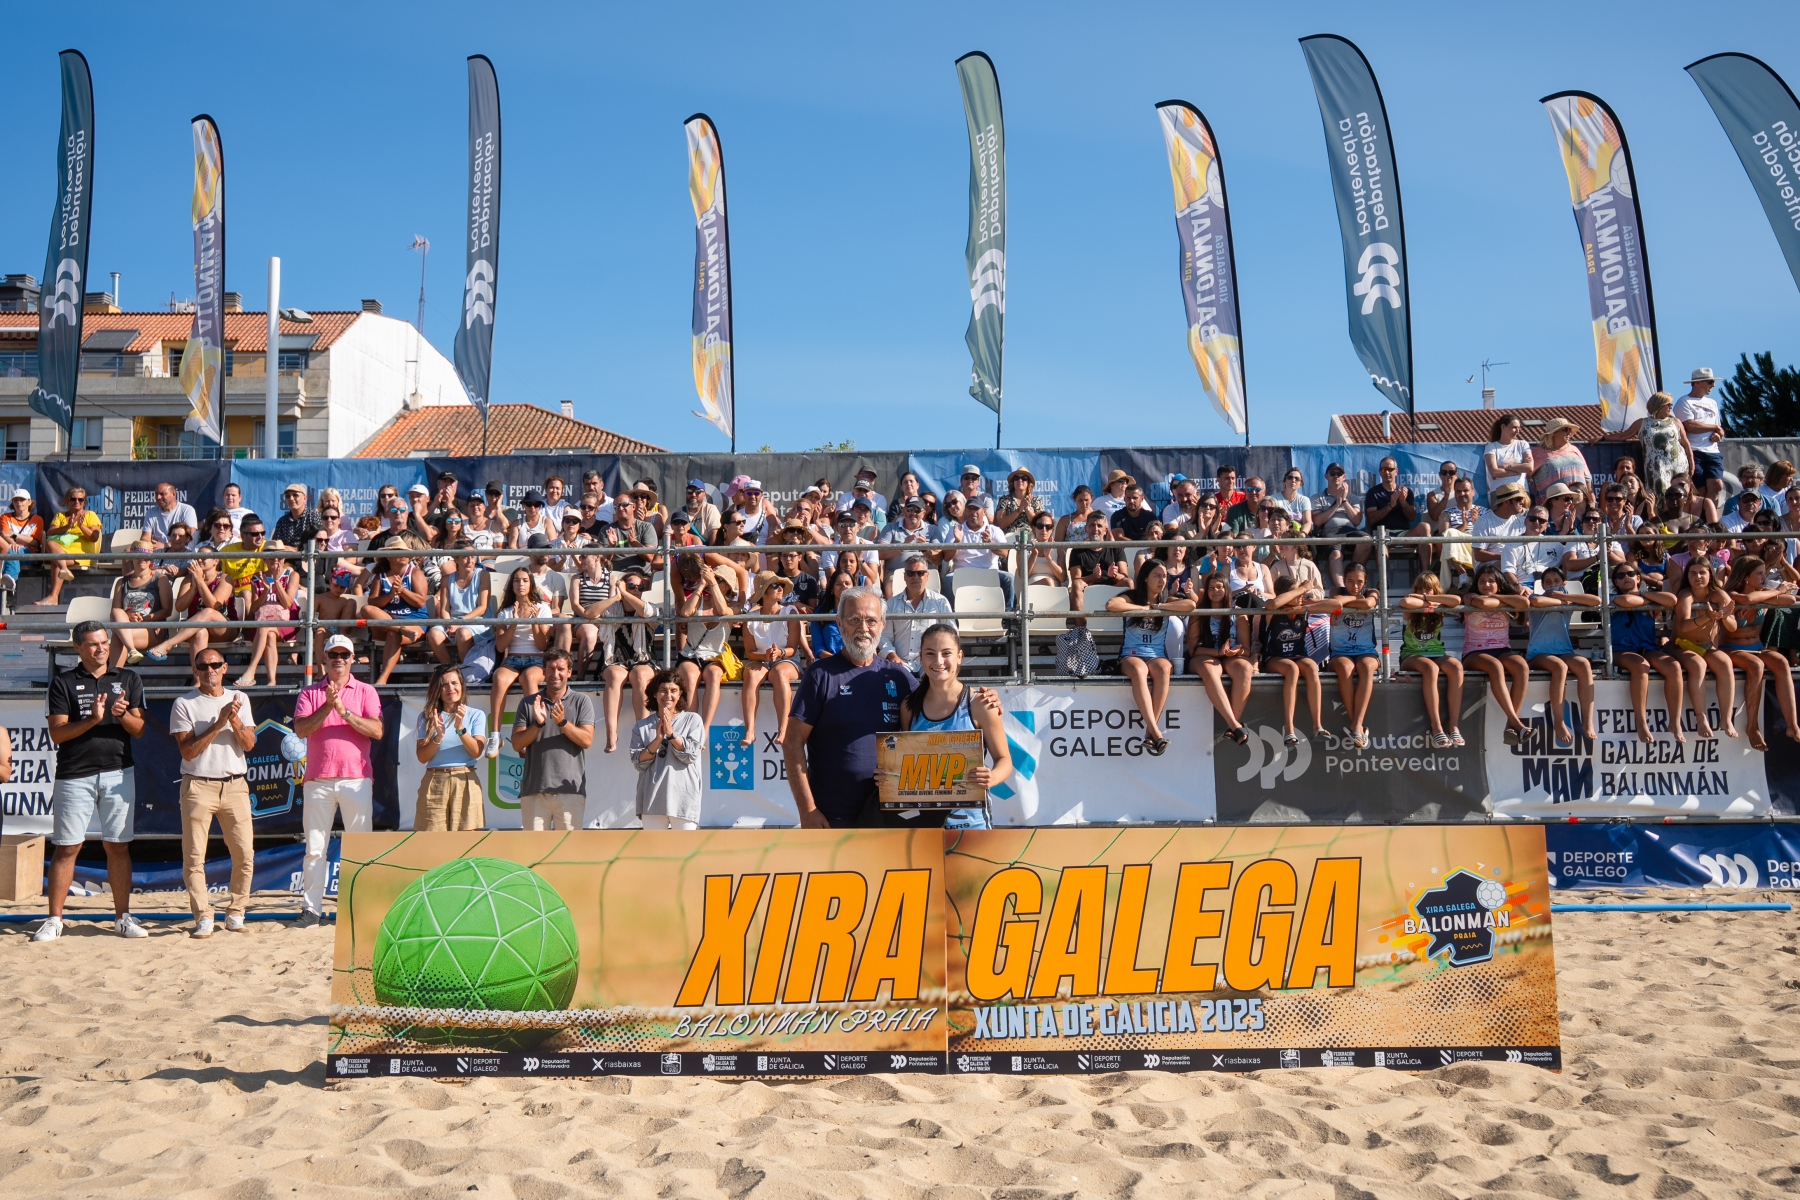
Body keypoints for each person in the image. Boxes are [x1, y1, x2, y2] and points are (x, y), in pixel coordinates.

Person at [786, 586, 978, 828]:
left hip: (891, 818)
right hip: (832, 818)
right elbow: (792, 742)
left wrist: (977, 697)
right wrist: (807, 810)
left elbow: (943, 698)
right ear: (839, 623)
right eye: (854, 620)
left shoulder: (898, 676)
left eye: (871, 621)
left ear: (882, 625)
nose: (863, 628)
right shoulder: (819, 675)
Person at [33, 621, 148, 942]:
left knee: (118, 847)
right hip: (74, 774)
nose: (101, 649)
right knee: (67, 847)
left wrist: (122, 715)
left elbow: (139, 729)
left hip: (119, 771)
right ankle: (55, 919)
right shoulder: (63, 682)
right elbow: (57, 733)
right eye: (93, 644)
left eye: (104, 642)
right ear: (78, 648)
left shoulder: (129, 678)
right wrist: (93, 720)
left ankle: (123, 918)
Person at [291, 634, 383, 926]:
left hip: (356, 779)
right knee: (315, 849)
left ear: (353, 659)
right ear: (325, 658)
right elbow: (301, 730)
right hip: (318, 780)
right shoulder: (310, 693)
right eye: (334, 654)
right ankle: (312, 910)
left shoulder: (366, 691)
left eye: (344, 655)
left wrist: (344, 711)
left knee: (360, 848)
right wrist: (328, 706)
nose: (339, 659)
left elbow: (377, 730)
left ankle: (358, 909)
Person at [170, 650, 257, 937]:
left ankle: (236, 912)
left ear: (225, 667)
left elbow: (249, 744)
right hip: (198, 785)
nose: (210, 670)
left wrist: (234, 721)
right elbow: (188, 752)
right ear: (195, 670)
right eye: (203, 666)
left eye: (215, 664)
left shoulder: (240, 698)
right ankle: (203, 915)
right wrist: (219, 723)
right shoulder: (184, 703)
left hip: (235, 784)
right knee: (194, 856)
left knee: (244, 853)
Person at [894, 624, 1013, 830]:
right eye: (930, 653)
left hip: (972, 826)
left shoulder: (981, 704)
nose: (938, 661)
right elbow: (905, 767)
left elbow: (1005, 760)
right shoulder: (909, 707)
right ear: (920, 658)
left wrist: (992, 777)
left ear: (959, 657)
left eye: (946, 653)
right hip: (923, 826)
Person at [1106, 558, 1195, 753]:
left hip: (1156, 654)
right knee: (1140, 670)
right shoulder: (1132, 596)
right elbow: (1111, 605)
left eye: (1164, 576)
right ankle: (1156, 732)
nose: (1162, 580)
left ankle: (1149, 733)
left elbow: (1191, 605)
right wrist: (1143, 609)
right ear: (1145, 578)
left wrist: (1159, 607)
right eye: (1157, 576)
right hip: (1131, 654)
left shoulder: (1166, 600)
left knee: (1165, 669)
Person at [510, 649, 596, 831]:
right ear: (544, 671)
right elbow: (517, 744)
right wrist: (538, 724)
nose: (555, 674)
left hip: (570, 791)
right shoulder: (528, 703)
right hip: (534, 791)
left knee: (569, 848)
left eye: (561, 669)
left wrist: (562, 723)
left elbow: (587, 740)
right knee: (534, 848)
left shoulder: (582, 701)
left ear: (569, 672)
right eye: (550, 669)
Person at [1722, 555, 1800, 751]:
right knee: (1756, 665)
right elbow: (1747, 599)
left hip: (1756, 647)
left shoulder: (1764, 593)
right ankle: (1752, 726)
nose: (1764, 577)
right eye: (1759, 574)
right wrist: (1777, 591)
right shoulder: (1729, 594)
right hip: (1731, 648)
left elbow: (1790, 599)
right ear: (1746, 577)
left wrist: (1771, 594)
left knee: (1781, 662)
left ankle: (1792, 724)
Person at [1607, 562, 1685, 746]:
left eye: (1630, 574)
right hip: (1620, 650)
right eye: (1620, 576)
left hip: (1647, 647)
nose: (1626, 577)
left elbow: (1672, 600)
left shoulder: (1648, 595)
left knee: (1674, 666)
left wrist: (1644, 595)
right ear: (1616, 582)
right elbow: (1626, 602)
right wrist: (1651, 600)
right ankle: (1641, 722)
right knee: (1641, 666)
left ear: (1638, 578)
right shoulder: (1611, 597)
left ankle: (1675, 721)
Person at [1524, 565, 1600, 746]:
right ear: (1543, 585)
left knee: (1584, 664)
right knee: (1559, 667)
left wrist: (1564, 598)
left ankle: (1587, 721)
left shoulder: (1568, 598)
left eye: (1556, 581)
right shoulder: (1536, 596)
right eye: (1548, 582)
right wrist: (1566, 602)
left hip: (1563, 650)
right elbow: (1537, 602)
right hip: (1538, 652)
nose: (1552, 585)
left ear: (1564, 583)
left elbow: (1596, 601)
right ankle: (1559, 721)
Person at [1462, 563, 1532, 745]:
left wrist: (1498, 597)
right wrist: (1506, 601)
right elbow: (1484, 603)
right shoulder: (1469, 597)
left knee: (1521, 666)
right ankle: (1516, 723)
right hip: (1474, 651)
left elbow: (1524, 603)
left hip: (1502, 649)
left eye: (1491, 581)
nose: (1486, 585)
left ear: (1499, 583)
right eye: (1482, 581)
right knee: (1495, 666)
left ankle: (1511, 726)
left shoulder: (1505, 598)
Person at [1394, 573, 1467, 747]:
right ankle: (1436, 728)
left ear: (1436, 590)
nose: (1423, 592)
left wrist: (1428, 599)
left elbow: (1456, 600)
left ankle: (1454, 726)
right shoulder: (1417, 605)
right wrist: (1430, 602)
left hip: (1436, 652)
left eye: (1428, 589)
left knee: (1456, 667)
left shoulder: (1439, 603)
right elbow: (1405, 602)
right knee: (1431, 668)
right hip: (1412, 654)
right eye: (1420, 589)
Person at [1672, 558, 1739, 741]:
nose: (1698, 577)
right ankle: (1701, 718)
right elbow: (1683, 627)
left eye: (1702, 572)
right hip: (1680, 645)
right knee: (1698, 665)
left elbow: (1733, 627)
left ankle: (1726, 719)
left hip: (1707, 647)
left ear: (1711, 575)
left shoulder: (1719, 594)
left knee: (1725, 663)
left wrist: (1723, 616)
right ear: (1687, 576)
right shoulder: (1685, 595)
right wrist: (1708, 617)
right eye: (1693, 573)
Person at [413, 664, 486, 831]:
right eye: (444, 684)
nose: (450, 688)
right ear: (437, 689)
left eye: (454, 683)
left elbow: (477, 751)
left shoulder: (476, 715)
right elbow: (422, 757)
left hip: (465, 779)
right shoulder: (426, 717)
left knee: (467, 841)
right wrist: (438, 737)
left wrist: (460, 729)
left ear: (462, 685)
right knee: (432, 840)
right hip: (434, 781)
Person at [630, 668, 705, 830]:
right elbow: (638, 762)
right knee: (654, 847)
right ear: (655, 694)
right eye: (663, 690)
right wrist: (657, 740)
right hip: (652, 801)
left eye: (673, 690)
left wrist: (671, 734)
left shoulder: (693, 720)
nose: (668, 695)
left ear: (680, 694)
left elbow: (691, 754)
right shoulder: (641, 726)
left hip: (684, 799)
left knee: (685, 847)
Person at [489, 567, 554, 748]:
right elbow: (501, 646)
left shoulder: (543, 609)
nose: (521, 584)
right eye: (517, 580)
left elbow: (542, 645)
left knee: (529, 677)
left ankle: (531, 733)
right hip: (513, 659)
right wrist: (514, 623)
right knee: (499, 677)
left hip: (536, 659)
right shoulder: (505, 612)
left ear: (531, 584)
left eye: (525, 580)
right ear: (512, 585)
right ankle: (495, 736)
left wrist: (534, 622)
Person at [1186, 571, 1253, 744]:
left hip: (1230, 657)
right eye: (1211, 588)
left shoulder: (1238, 613)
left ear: (1227, 589)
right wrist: (1219, 653)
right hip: (1205, 656)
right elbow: (1193, 650)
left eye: (1219, 587)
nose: (1215, 591)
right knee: (1210, 669)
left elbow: (1247, 650)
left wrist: (1235, 652)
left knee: (1245, 668)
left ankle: (1233, 726)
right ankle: (1235, 725)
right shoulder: (1199, 614)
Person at [1261, 575, 1328, 745]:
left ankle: (1317, 725)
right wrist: (1303, 588)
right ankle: (1289, 728)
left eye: (1301, 592)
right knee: (1292, 669)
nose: (1300, 595)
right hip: (1275, 657)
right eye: (1295, 592)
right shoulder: (1274, 610)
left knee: (1311, 666)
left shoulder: (1302, 607)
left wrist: (1303, 606)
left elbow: (1335, 605)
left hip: (1298, 655)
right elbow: (1273, 604)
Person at [742, 572, 803, 745]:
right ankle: (750, 730)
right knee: (751, 675)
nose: (780, 588)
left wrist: (779, 653)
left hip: (787, 660)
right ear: (763, 592)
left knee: (779, 673)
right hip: (761, 660)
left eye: (781, 585)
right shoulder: (750, 619)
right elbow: (750, 652)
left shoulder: (790, 612)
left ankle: (783, 729)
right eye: (775, 585)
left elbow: (792, 648)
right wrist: (766, 655)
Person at [675, 560, 736, 728]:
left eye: (718, 579)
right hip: (691, 654)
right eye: (713, 577)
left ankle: (705, 728)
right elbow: (685, 612)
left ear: (727, 587)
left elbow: (723, 612)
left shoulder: (734, 607)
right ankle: (692, 727)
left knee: (715, 674)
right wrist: (701, 585)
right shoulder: (698, 601)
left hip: (716, 657)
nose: (712, 580)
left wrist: (712, 582)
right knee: (690, 676)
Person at [1327, 560, 1380, 749]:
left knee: (1366, 667)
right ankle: (1356, 726)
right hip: (1340, 651)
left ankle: (1356, 724)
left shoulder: (1372, 591)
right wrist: (1345, 600)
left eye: (1359, 582)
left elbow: (1368, 603)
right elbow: (1334, 601)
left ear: (1365, 582)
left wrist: (1345, 601)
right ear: (1344, 581)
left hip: (1366, 650)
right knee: (1346, 667)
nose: (1355, 586)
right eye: (1350, 581)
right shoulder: (1336, 590)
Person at [144, 552, 232, 664]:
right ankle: (198, 674)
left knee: (208, 612)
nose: (199, 560)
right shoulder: (189, 579)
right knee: (200, 632)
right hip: (193, 629)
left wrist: (200, 581)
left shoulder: (224, 578)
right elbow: (179, 607)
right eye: (197, 557)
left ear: (216, 561)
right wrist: (193, 588)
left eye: (203, 557)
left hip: (223, 629)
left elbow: (214, 606)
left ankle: (168, 644)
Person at [360, 548, 429, 686]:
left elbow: (421, 602)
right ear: (389, 557)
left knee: (393, 634)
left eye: (406, 551)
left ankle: (382, 679)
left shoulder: (415, 573)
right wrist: (390, 594)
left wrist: (402, 591)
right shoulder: (380, 576)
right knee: (366, 609)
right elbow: (372, 602)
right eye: (399, 551)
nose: (404, 555)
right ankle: (400, 629)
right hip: (388, 623)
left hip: (413, 622)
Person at [1609, 391, 1693, 501]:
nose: (1670, 407)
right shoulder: (1642, 423)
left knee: (1680, 493)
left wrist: (1692, 463)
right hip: (1656, 466)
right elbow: (1623, 436)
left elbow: (1686, 444)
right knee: (1659, 494)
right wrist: (1603, 438)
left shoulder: (1675, 422)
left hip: (1678, 464)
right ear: (1660, 406)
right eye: (1668, 405)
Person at [881, 554, 954, 674]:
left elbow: (951, 634)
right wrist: (892, 655)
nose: (915, 577)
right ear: (905, 576)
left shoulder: (940, 602)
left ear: (927, 576)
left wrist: (939, 659)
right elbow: (884, 637)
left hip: (932, 665)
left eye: (920, 573)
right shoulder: (891, 604)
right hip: (900, 665)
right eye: (911, 573)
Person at [33, 486, 103, 607]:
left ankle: (53, 596)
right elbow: (50, 532)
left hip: (82, 553)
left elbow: (94, 537)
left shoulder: (90, 515)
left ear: (84, 502)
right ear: (67, 500)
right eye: (73, 499)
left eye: (80, 499)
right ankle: (63, 570)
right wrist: (67, 527)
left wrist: (81, 526)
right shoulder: (60, 515)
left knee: (56, 560)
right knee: (50, 544)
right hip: (62, 551)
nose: (77, 502)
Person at [108, 548, 173, 669]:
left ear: (151, 559)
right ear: (132, 557)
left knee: (118, 636)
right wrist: (129, 615)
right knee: (117, 612)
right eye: (138, 555)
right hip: (128, 626)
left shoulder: (160, 579)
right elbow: (114, 613)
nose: (142, 559)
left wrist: (144, 619)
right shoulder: (121, 582)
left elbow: (167, 611)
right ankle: (130, 651)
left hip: (152, 628)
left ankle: (114, 674)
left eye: (146, 556)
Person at [428, 547, 490, 667]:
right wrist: (449, 624)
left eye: (472, 557)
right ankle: (451, 669)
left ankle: (467, 670)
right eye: (465, 557)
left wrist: (459, 623)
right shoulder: (446, 579)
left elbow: (482, 608)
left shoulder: (483, 575)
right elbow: (444, 609)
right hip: (453, 622)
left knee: (462, 633)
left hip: (477, 620)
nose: (470, 560)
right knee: (433, 634)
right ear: (456, 559)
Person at [1310, 463, 1366, 588]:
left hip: (1350, 530)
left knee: (1366, 541)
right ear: (1326, 476)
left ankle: (1353, 576)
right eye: (1332, 473)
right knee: (1336, 554)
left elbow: (1357, 520)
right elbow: (1318, 521)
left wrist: (1344, 501)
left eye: (1339, 474)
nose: (1336, 476)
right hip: (1330, 532)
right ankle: (1342, 588)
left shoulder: (1353, 498)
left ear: (1344, 477)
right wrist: (1336, 504)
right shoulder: (1317, 497)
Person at [1676, 367, 1727, 503]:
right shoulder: (1683, 402)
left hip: (1713, 451)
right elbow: (1690, 426)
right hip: (1694, 451)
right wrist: (1715, 428)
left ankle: (1709, 514)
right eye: (1710, 382)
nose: (1713, 385)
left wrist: (1718, 434)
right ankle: (1700, 514)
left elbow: (1718, 427)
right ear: (1698, 382)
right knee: (1700, 489)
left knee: (1717, 486)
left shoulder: (1713, 403)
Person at [0, 488, 44, 594]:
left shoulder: (38, 519)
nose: (19, 503)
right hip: (11, 550)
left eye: (22, 500)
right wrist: (14, 543)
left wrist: (14, 535)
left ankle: (9, 580)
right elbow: (4, 535)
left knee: (10, 551)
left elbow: (35, 542)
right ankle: (10, 581)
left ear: (29, 502)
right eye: (15, 500)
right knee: (11, 550)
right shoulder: (5, 517)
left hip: (30, 554)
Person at [1483, 412, 1534, 495]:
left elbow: (1529, 467)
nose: (1517, 431)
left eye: (1519, 428)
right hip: (1499, 493)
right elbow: (1494, 472)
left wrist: (1507, 467)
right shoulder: (1491, 447)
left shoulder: (1523, 444)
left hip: (1521, 491)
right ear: (1503, 427)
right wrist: (1518, 471)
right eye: (1514, 427)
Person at [143, 481, 198, 549]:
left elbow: (190, 536)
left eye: (162, 494)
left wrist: (165, 545)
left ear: (174, 494)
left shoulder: (187, 510)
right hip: (157, 551)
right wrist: (144, 546)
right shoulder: (151, 512)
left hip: (180, 551)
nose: (158, 497)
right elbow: (145, 537)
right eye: (156, 494)